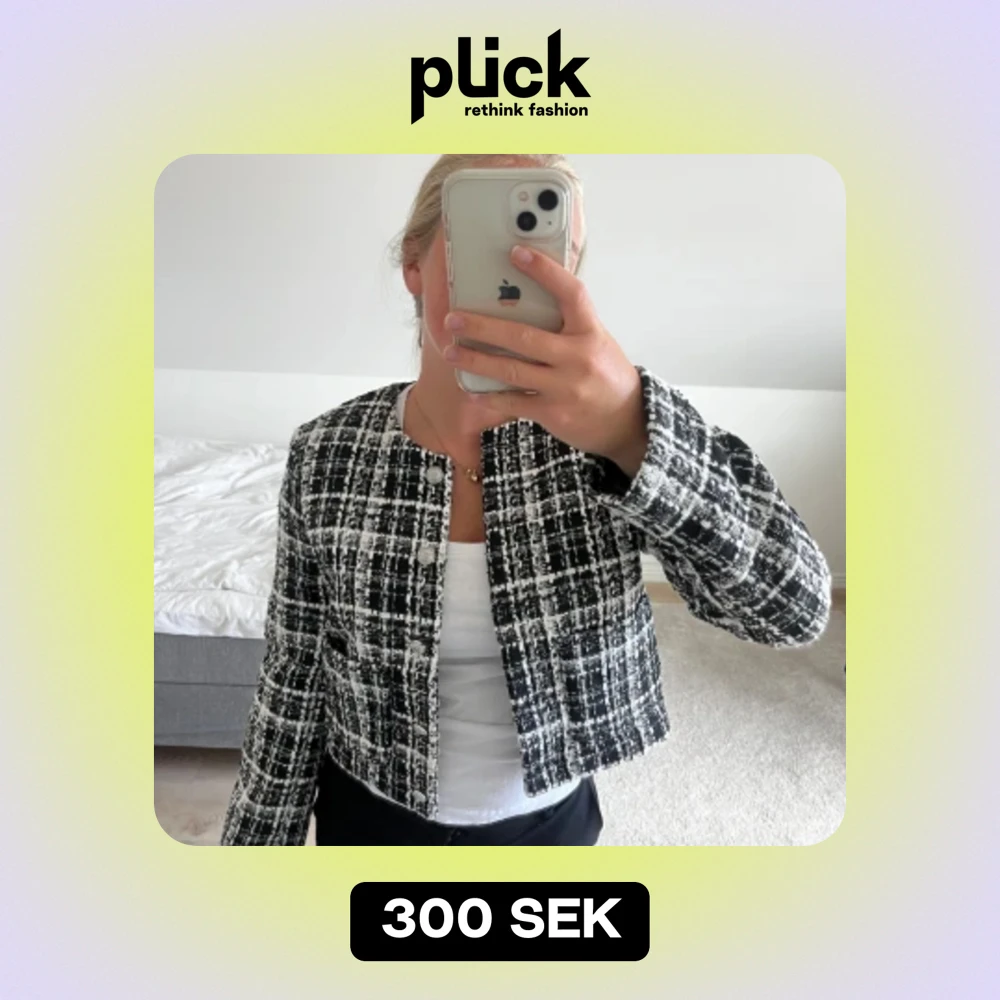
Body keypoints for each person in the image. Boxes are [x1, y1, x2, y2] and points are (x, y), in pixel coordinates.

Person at [220, 153, 832, 847]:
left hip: (550, 826)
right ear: (414, 265)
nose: (513, 272)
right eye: (481, 242)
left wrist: (633, 435)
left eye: (548, 249)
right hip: (367, 816)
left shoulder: (617, 435)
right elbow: (293, 672)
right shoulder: (327, 450)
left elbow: (793, 611)